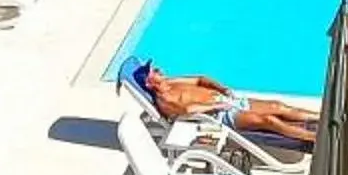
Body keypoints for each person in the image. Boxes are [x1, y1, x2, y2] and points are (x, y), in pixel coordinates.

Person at [127, 59, 320, 149]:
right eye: (155, 72)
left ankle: (321, 117)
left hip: (228, 101)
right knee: (269, 121)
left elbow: (201, 79)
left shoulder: (173, 82)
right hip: (220, 115)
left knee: (279, 107)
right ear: (148, 83)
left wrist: (223, 89)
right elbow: (188, 110)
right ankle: (314, 137)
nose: (159, 70)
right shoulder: (165, 100)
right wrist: (216, 107)